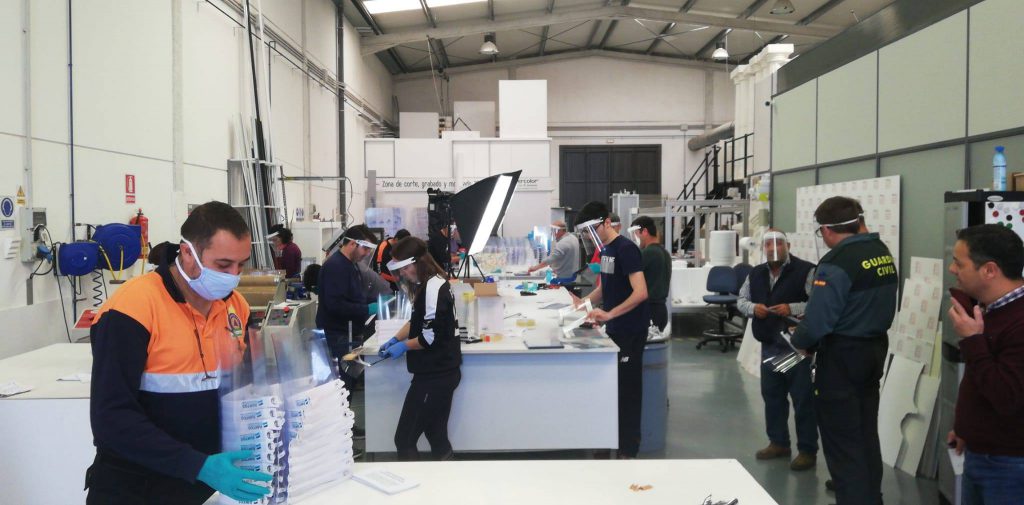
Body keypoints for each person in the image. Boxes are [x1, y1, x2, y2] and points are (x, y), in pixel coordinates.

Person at [86, 201, 272, 505]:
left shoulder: (235, 306)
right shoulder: (133, 308)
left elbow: (247, 388)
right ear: (187, 252)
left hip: (207, 487)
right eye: (223, 265)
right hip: (138, 490)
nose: (233, 276)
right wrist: (197, 465)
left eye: (241, 265)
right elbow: (111, 418)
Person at [790, 196, 898, 505]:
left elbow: (818, 321)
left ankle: (853, 496)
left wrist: (801, 340)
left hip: (842, 357)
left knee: (842, 439)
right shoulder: (881, 252)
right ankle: (871, 496)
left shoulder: (836, 262)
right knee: (865, 432)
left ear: (826, 229)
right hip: (875, 350)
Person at [946, 224, 1024, 504]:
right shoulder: (991, 309)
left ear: (989, 270)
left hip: (1009, 465)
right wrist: (967, 427)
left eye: (959, 263)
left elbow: (1007, 397)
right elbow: (984, 378)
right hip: (982, 452)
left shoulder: (1019, 322)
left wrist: (972, 340)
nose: (952, 269)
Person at [736, 230, 818, 471]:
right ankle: (778, 442)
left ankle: (807, 450)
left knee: (802, 400)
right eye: (768, 245)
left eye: (779, 243)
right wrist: (753, 308)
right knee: (772, 396)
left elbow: (817, 303)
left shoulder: (806, 270)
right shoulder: (756, 273)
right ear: (764, 248)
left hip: (796, 347)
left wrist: (792, 308)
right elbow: (741, 300)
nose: (773, 248)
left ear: (788, 246)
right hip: (770, 345)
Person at [573, 201, 649, 459]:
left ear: (607, 222)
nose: (589, 236)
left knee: (628, 392)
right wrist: (582, 304)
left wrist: (609, 314)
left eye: (592, 230)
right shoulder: (606, 251)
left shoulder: (627, 249)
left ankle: (628, 449)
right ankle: (608, 440)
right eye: (585, 232)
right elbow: (605, 287)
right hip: (615, 328)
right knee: (610, 389)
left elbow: (641, 292)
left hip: (630, 329)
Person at [377, 237, 462, 461]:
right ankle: (445, 479)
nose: (403, 274)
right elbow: (417, 321)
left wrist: (403, 346)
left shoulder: (433, 288)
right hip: (441, 372)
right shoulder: (430, 284)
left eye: (405, 268)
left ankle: (414, 483)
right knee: (436, 434)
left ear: (418, 262)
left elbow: (428, 338)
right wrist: (395, 338)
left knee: (404, 440)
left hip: (435, 376)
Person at [315, 224, 379, 384]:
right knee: (342, 385)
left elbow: (352, 296)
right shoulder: (336, 266)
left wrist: (373, 301)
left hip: (348, 334)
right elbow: (335, 305)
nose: (367, 254)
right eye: (365, 248)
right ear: (352, 243)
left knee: (349, 382)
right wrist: (366, 309)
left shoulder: (349, 265)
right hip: (338, 336)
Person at [630, 216, 673, 332]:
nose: (635, 239)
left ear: (644, 231)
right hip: (660, 310)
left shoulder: (648, 253)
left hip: (649, 310)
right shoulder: (664, 252)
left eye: (636, 234)